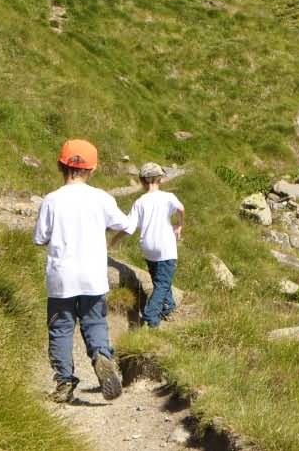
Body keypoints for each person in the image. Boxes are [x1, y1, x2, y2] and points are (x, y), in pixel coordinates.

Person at [33, 139, 131, 404]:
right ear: (92, 169)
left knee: (61, 329)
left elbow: (40, 238)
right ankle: (101, 355)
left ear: (60, 165)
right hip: (93, 277)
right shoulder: (101, 198)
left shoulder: (51, 200)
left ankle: (64, 383)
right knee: (95, 322)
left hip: (61, 278)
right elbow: (126, 224)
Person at [112, 163, 185, 328]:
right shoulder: (168, 197)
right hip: (165, 246)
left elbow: (129, 227)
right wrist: (180, 225)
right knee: (163, 283)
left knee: (158, 278)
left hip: (147, 247)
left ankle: (168, 306)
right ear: (160, 179)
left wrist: (114, 240)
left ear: (142, 181)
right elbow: (181, 209)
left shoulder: (140, 202)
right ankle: (151, 316)